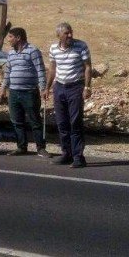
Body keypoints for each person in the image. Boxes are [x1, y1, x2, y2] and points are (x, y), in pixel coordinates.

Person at [44, 22, 92, 168]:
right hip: (59, 88)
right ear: (59, 35)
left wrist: (87, 87)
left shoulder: (81, 46)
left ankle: (78, 157)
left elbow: (88, 67)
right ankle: (66, 153)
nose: (70, 35)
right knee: (62, 122)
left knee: (75, 122)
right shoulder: (53, 48)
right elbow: (52, 69)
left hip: (75, 87)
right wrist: (47, 88)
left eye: (71, 32)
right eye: (66, 33)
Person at [0, 27, 50, 158]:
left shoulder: (32, 51)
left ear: (18, 38)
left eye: (10, 37)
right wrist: (3, 88)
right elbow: (8, 72)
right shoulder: (11, 54)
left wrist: (43, 88)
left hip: (29, 92)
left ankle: (41, 148)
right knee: (17, 121)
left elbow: (40, 70)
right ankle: (21, 147)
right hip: (14, 92)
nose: (8, 40)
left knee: (35, 121)